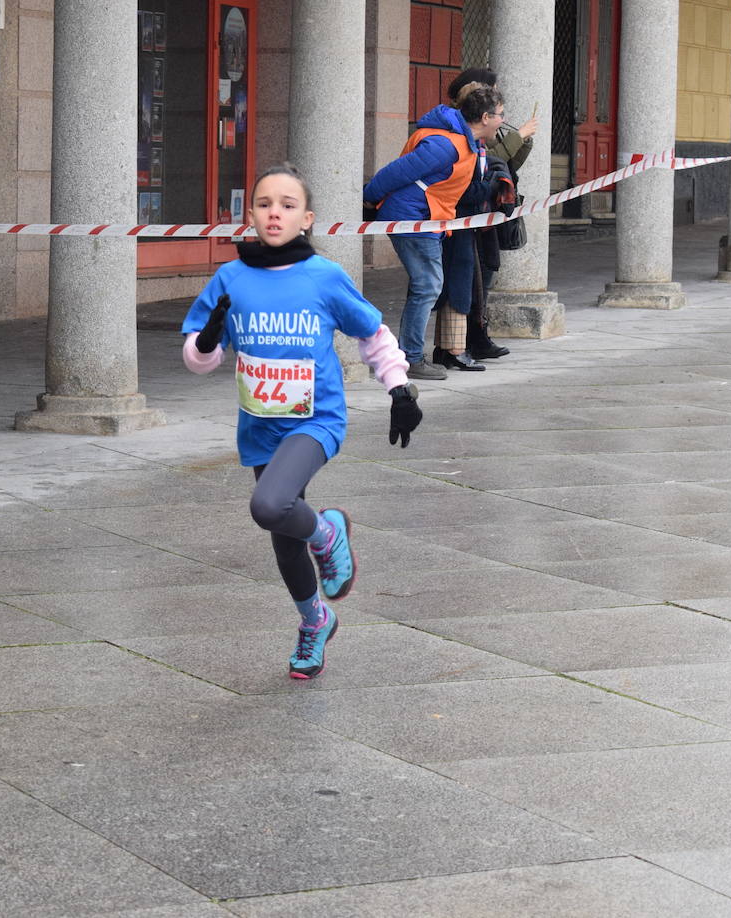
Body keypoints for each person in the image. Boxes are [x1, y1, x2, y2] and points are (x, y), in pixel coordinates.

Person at [181, 162, 422, 680]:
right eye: (265, 204)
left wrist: (399, 388)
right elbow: (200, 359)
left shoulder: (323, 277)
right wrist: (203, 343)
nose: (275, 214)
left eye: (287, 206)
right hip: (260, 425)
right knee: (280, 529)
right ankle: (316, 621)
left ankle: (329, 533)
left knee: (269, 505)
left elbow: (373, 333)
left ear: (306, 218)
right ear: (250, 214)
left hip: (316, 421)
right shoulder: (231, 277)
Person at [363, 86, 507, 373]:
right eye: (501, 115)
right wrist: (368, 201)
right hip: (413, 219)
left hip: (425, 218)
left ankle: (408, 355)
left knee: (426, 285)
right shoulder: (446, 146)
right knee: (427, 286)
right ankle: (410, 358)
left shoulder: (466, 144)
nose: (504, 120)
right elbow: (394, 173)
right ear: (486, 117)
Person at [446, 69, 539, 360]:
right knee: (467, 279)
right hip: (470, 212)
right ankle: (464, 342)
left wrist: (524, 140)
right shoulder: (462, 126)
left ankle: (479, 335)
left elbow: (508, 162)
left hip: (489, 210)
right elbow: (492, 158)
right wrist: (519, 135)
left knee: (486, 271)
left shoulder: (490, 125)